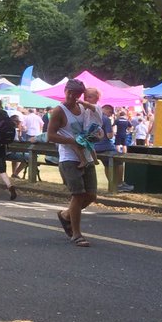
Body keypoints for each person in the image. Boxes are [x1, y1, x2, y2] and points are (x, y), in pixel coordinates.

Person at [48, 79, 99, 247]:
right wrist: (71, 141)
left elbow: (94, 122)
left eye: (75, 94)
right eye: (69, 92)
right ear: (65, 91)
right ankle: (76, 234)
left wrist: (94, 135)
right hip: (69, 157)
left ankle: (65, 215)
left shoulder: (83, 109)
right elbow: (51, 136)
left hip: (86, 154)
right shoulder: (59, 111)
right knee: (78, 195)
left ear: (80, 96)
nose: (71, 96)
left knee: (91, 195)